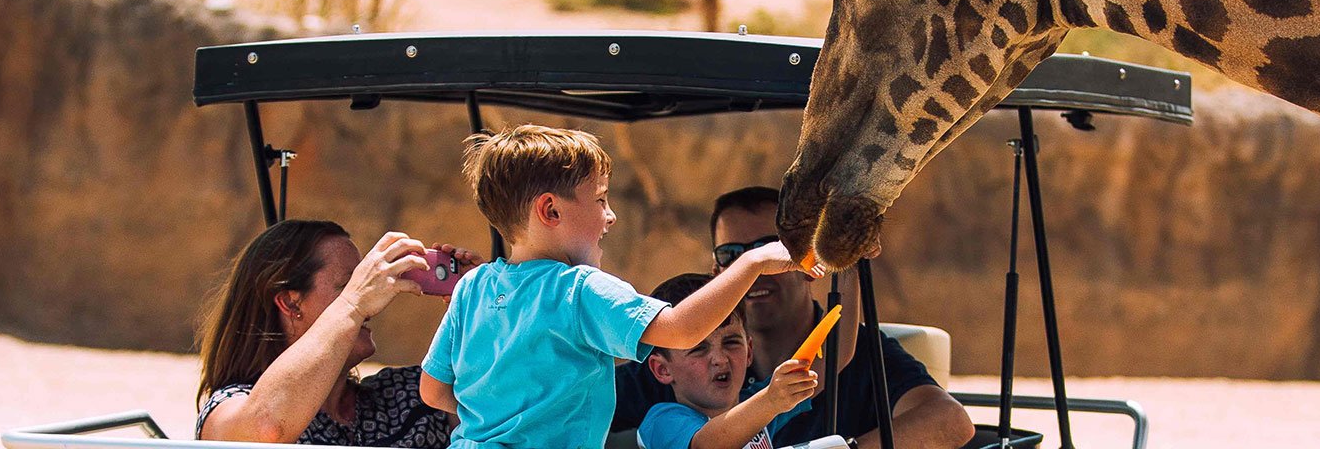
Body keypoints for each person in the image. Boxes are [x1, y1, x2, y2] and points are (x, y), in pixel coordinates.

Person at [418, 124, 799, 449]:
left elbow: (433, 391)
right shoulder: (580, 290)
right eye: (601, 200)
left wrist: (501, 413)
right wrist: (754, 262)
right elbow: (682, 331)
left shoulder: (472, 286)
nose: (611, 216)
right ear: (550, 211)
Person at [615, 187, 975, 449]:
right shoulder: (665, 414)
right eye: (734, 257)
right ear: (718, 274)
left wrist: (847, 261)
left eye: (770, 252)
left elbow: (833, 362)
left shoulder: (756, 397)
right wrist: (772, 399)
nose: (719, 357)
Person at [195, 219, 483, 447]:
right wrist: (353, 303)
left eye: (364, 281)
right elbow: (266, 429)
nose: (372, 299)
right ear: (290, 302)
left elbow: (507, 404)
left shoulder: (410, 396)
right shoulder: (230, 406)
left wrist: (487, 309)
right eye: (350, 283)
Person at [637, 273, 817, 449]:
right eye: (698, 349)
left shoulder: (759, 401)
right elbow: (706, 445)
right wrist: (770, 401)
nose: (720, 359)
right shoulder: (661, 422)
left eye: (731, 342)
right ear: (662, 369)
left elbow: (828, 364)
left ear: (749, 351)